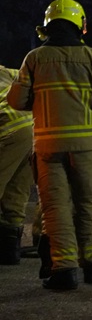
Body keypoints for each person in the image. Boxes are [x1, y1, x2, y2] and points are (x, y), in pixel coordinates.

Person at [7, 0, 92, 289]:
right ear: (80, 25)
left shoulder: (34, 59)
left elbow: (16, 100)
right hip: (85, 145)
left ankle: (65, 270)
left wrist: (40, 99)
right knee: (87, 204)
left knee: (55, 208)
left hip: (48, 146)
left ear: (47, 27)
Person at [0, 64, 34, 264]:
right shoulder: (6, 71)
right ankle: (9, 253)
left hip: (9, 131)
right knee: (16, 193)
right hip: (34, 128)